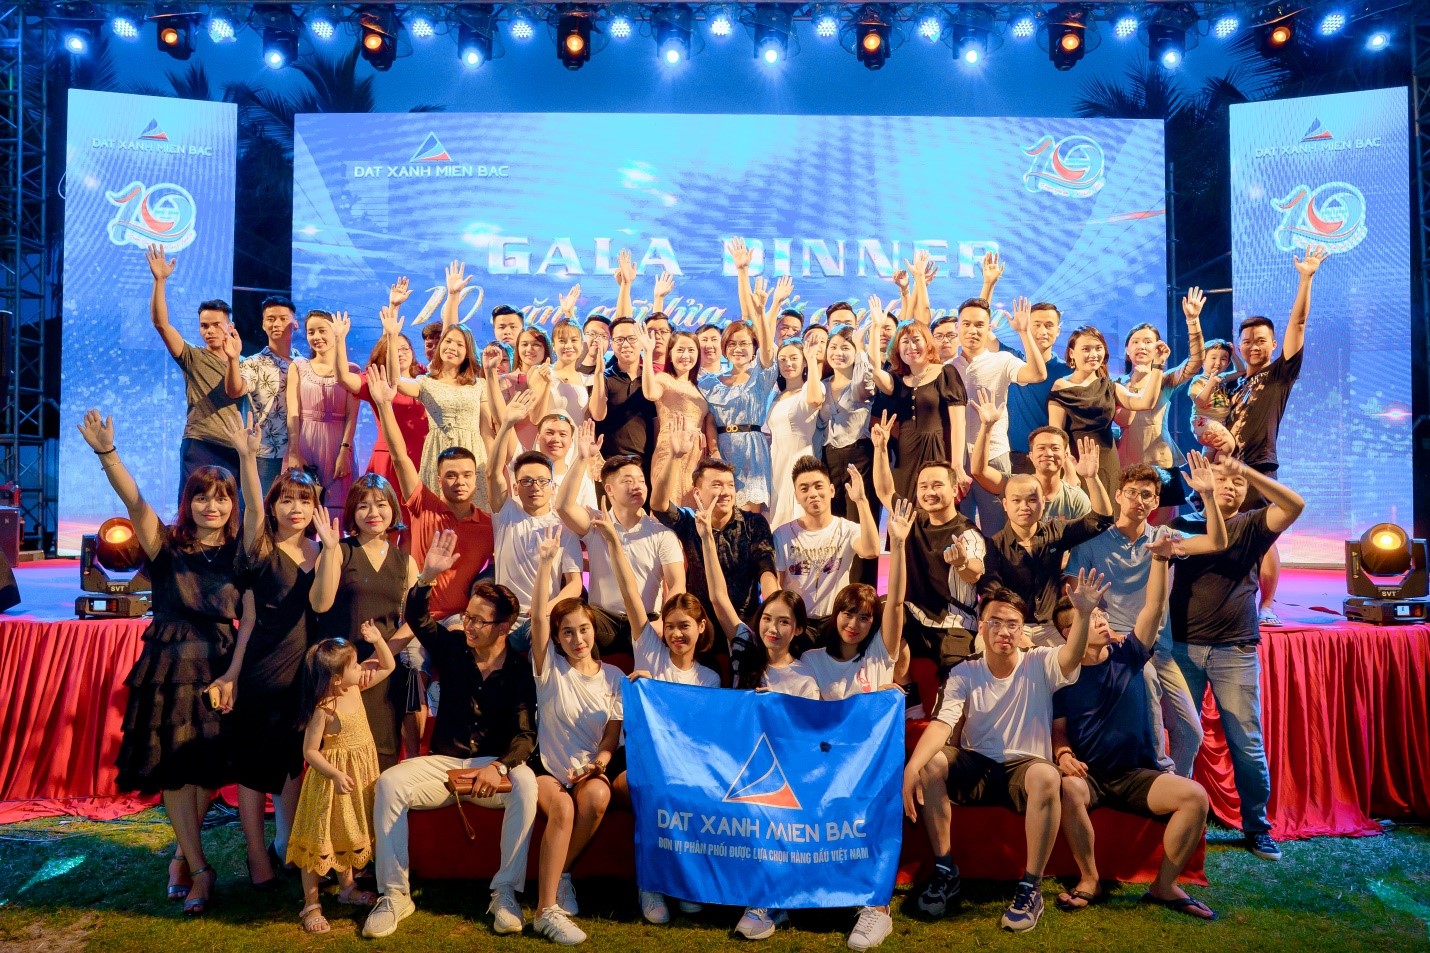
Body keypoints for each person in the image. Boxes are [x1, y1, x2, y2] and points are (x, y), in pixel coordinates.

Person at [78, 408, 241, 915]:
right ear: (188, 502)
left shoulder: (240, 552)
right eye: (201, 496)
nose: (211, 505)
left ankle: (179, 856)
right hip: (170, 666)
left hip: (220, 663)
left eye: (221, 497)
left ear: (232, 504)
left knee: (207, 769)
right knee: (173, 768)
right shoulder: (165, 542)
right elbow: (134, 500)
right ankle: (201, 870)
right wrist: (108, 453)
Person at [364, 534, 540, 940]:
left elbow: (525, 734)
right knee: (390, 783)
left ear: (504, 627)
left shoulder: (518, 671)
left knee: (527, 783)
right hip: (443, 764)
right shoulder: (453, 647)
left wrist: (501, 767)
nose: (469, 625)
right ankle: (394, 895)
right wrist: (426, 577)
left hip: (492, 766)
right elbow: (419, 618)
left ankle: (505, 893)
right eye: (468, 616)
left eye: (479, 621)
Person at [903, 577, 1098, 934]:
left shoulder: (1040, 661)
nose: (1004, 631)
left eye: (1012, 624)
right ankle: (945, 871)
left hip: (1025, 767)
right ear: (981, 626)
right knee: (931, 763)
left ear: (1022, 631)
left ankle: (1030, 886)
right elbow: (942, 724)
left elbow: (1071, 657)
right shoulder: (964, 671)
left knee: (1047, 774)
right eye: (995, 622)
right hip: (977, 762)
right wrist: (912, 767)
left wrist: (1083, 615)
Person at [1052, 518, 1216, 921]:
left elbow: (1153, 609)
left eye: (1101, 614)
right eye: (1089, 617)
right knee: (1069, 789)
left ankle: (1164, 885)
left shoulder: (1128, 654)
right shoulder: (1063, 676)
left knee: (1195, 797)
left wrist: (1159, 561)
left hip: (1136, 774)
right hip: (1091, 776)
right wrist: (1064, 756)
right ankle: (1089, 879)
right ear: (1069, 633)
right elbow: (1059, 733)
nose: (1101, 619)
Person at [215, 432, 341, 892]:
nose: (295, 508)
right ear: (274, 506)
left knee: (291, 763)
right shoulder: (259, 544)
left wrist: (331, 551)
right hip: (262, 671)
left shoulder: (322, 549)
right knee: (253, 770)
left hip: (303, 673)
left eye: (304, 501)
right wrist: (248, 457)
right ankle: (256, 857)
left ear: (316, 508)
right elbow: (247, 621)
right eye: (286, 500)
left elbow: (323, 605)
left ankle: (286, 844)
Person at [1168, 456, 1305, 861]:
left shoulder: (1254, 525)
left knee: (1246, 742)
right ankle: (1176, 820)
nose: (1230, 486)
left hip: (1235, 649)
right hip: (1182, 647)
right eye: (1222, 479)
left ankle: (1257, 826)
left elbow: (1295, 505)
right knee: (1182, 738)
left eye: (1237, 483)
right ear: (1202, 482)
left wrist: (1247, 471)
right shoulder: (1183, 524)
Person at [1065, 456, 1226, 775]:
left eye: (1147, 495)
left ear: (1155, 502)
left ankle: (1175, 790)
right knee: (1149, 701)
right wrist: (1104, 633)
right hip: (1115, 650)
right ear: (1118, 495)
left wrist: (1208, 495)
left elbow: (1217, 541)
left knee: (1190, 733)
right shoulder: (1092, 543)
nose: (1138, 499)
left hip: (1159, 651)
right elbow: (1074, 598)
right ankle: (1156, 779)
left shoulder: (1163, 537)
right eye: (1132, 492)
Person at [605, 504, 722, 924]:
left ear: (701, 628)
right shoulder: (649, 652)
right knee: (655, 791)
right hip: (637, 761)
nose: (675, 633)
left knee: (685, 791)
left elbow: (704, 737)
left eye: (684, 626)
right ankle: (650, 884)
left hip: (684, 765)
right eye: (670, 625)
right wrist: (614, 544)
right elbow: (630, 594)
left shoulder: (709, 678)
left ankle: (683, 883)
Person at [526, 525, 626, 945]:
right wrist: (546, 564)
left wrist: (597, 765)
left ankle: (561, 873)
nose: (577, 639)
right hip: (547, 768)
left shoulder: (614, 676)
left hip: (589, 770)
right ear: (557, 638)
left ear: (594, 630)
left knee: (598, 796)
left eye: (583, 629)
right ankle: (545, 906)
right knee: (563, 807)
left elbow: (611, 736)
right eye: (567, 632)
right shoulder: (549, 668)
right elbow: (537, 619)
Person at [1226, 245, 1327, 625]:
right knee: (1228, 537)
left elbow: (1298, 324)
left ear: (1272, 345)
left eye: (1261, 340)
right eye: (1247, 340)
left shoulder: (1279, 375)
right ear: (1239, 345)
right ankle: (1234, 602)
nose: (1254, 346)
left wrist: (1306, 278)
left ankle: (1266, 606)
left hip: (1259, 468)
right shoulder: (1234, 385)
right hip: (1227, 471)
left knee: (1264, 537)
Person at [367, 366, 494, 624]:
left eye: (467, 475)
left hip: (461, 623)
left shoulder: (488, 526)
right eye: (451, 475)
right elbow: (399, 457)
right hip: (416, 619)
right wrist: (384, 405)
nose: (460, 482)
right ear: (439, 480)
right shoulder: (423, 505)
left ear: (476, 478)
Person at [287, 629, 394, 933]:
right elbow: (310, 751)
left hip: (358, 777)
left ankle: (347, 888)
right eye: (355, 665)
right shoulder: (324, 708)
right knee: (320, 840)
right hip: (331, 783)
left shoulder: (356, 687)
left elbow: (388, 666)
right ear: (336, 678)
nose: (362, 668)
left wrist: (378, 641)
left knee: (347, 830)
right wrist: (334, 773)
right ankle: (311, 904)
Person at [315, 473, 420, 772]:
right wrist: (329, 550)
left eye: (381, 504)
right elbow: (320, 605)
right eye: (363, 506)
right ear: (352, 511)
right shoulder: (339, 550)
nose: (373, 513)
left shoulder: (405, 562)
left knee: (381, 756)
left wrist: (378, 658)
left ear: (393, 509)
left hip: (383, 669)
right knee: (340, 758)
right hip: (340, 672)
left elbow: (414, 621)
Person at [871, 413, 984, 670]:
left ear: (954, 490)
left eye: (937, 485)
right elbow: (885, 491)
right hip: (914, 615)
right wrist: (880, 449)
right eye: (923, 486)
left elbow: (975, 572)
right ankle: (903, 687)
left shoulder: (967, 532)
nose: (929, 492)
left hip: (953, 623)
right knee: (882, 613)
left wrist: (963, 563)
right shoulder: (911, 518)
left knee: (957, 678)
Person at [555, 442, 683, 653]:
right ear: (609, 489)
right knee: (572, 626)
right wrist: (582, 458)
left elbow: (677, 583)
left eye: (641, 480)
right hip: (602, 618)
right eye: (628, 481)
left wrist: (665, 622)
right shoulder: (596, 523)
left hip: (647, 619)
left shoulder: (662, 533)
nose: (637, 486)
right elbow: (563, 507)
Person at [145, 244, 247, 506]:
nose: (209, 331)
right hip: (199, 442)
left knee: (229, 511)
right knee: (193, 507)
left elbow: (235, 391)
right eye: (204, 326)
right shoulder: (192, 356)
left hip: (234, 447)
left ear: (230, 327)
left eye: (216, 325)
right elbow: (161, 324)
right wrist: (160, 281)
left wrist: (233, 358)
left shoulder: (246, 364)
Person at [979, 447, 1113, 646]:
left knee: (1077, 652)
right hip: (1011, 624)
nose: (1024, 507)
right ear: (1005, 505)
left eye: (1032, 500)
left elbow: (1100, 521)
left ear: (1043, 502)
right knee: (985, 646)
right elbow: (992, 596)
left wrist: (1091, 478)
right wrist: (1016, 633)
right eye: (1016, 500)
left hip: (1051, 627)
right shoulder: (994, 545)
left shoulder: (1055, 531)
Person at [388, 281, 498, 506]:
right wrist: (392, 330)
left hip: (473, 455)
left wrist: (492, 471)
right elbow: (394, 380)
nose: (452, 347)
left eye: (460, 345)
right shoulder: (426, 383)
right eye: (447, 341)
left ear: (467, 352)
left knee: (474, 515)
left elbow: (488, 429)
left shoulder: (478, 385)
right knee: (437, 514)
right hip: (438, 453)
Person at [487, 395, 584, 649]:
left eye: (542, 481)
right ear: (516, 488)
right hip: (504, 617)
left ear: (553, 487)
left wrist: (546, 609)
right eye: (527, 481)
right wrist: (507, 425)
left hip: (543, 619)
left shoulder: (564, 527)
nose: (535, 487)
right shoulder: (506, 513)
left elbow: (575, 583)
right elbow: (493, 473)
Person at [654, 437, 778, 629]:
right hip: (701, 622)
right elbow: (659, 505)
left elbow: (766, 569)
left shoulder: (753, 522)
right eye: (717, 485)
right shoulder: (690, 521)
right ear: (697, 492)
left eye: (730, 485)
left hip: (744, 620)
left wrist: (772, 612)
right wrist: (673, 457)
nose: (726, 492)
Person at [951, 295, 1048, 534]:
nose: (973, 330)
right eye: (966, 324)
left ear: (989, 328)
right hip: (957, 460)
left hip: (993, 454)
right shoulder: (948, 366)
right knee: (959, 532)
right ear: (957, 327)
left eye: (979, 325)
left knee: (998, 531)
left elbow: (1037, 374)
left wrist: (1024, 332)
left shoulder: (1002, 360)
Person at [701, 238, 780, 513]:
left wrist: (745, 275)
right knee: (721, 516)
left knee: (750, 520)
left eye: (745, 343)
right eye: (732, 344)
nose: (738, 348)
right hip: (722, 451)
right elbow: (709, 418)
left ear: (753, 348)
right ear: (724, 348)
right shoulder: (709, 383)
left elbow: (764, 343)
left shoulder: (761, 377)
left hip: (753, 451)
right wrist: (713, 450)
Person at [869, 296, 969, 506]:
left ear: (927, 343)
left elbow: (959, 423)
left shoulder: (946, 373)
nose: (911, 346)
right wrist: (876, 327)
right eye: (905, 342)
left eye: (916, 340)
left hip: (937, 450)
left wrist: (957, 464)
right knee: (905, 509)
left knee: (937, 506)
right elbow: (876, 371)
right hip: (905, 454)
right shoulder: (897, 380)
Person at [1048, 325, 1163, 508]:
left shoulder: (1110, 386)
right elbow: (1056, 434)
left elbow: (1145, 403)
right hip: (1075, 461)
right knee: (1080, 514)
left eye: (1098, 348)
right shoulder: (1061, 386)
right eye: (1086, 349)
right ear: (1071, 353)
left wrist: (1158, 366)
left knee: (1109, 512)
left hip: (1107, 459)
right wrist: (1068, 469)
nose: (1093, 354)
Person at [333, 279, 429, 496]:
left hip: (423, 456)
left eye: (405, 349)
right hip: (389, 458)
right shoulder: (378, 379)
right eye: (396, 349)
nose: (401, 353)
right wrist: (339, 340)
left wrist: (395, 308)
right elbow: (343, 378)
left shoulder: (424, 377)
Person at [772, 457, 881, 640]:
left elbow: (871, 551)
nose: (813, 493)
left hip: (835, 621)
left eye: (818, 486)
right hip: (798, 623)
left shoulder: (847, 529)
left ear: (831, 490)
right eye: (804, 489)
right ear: (796, 496)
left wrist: (861, 501)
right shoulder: (782, 534)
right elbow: (777, 583)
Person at [820, 323, 881, 586]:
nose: (838, 352)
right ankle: (834, 590)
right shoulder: (821, 385)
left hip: (859, 457)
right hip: (828, 458)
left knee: (860, 524)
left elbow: (864, 385)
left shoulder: (861, 383)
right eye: (833, 347)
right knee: (833, 526)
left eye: (846, 347)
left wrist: (862, 346)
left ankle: (862, 591)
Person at [968, 390, 1089, 521]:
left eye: (1055, 448)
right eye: (1041, 448)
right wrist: (987, 427)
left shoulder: (1075, 498)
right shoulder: (1014, 485)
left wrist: (1091, 478)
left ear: (1065, 456)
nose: (1048, 453)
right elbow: (979, 471)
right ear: (1031, 455)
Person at [285, 310, 359, 518]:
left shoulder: (352, 371)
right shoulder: (298, 366)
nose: (316, 337)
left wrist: (345, 453)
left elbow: (352, 416)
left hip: (338, 445)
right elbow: (293, 412)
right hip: (304, 443)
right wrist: (294, 452)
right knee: (300, 509)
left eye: (321, 330)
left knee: (337, 514)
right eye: (311, 332)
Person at [227, 294, 297, 495]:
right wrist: (233, 360)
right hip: (265, 455)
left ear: (295, 324)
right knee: (260, 508)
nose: (277, 324)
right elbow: (235, 390)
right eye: (270, 319)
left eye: (283, 318)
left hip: (298, 452)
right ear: (264, 324)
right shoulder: (253, 363)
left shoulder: (303, 363)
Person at [639, 322, 710, 510]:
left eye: (691, 350)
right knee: (667, 504)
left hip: (696, 454)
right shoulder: (664, 379)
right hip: (670, 448)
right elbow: (650, 393)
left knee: (692, 507)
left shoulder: (698, 387)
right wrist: (647, 353)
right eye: (680, 350)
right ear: (670, 354)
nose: (686, 355)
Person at [764, 337, 826, 528]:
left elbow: (815, 400)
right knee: (776, 520)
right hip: (775, 462)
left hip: (799, 459)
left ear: (803, 362)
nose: (787, 363)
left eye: (793, 358)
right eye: (782, 359)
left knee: (797, 516)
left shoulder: (811, 388)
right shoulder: (775, 396)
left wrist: (812, 359)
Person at [595, 317, 658, 487]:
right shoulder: (605, 377)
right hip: (611, 464)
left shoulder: (652, 379)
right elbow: (597, 415)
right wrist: (598, 375)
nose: (626, 344)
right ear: (612, 344)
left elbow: (657, 420)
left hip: (646, 464)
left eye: (631, 338)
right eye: (619, 339)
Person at [1006, 301, 1067, 475]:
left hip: (1050, 460)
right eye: (1036, 324)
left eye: (1049, 325)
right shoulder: (1012, 361)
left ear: (1058, 330)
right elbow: (984, 333)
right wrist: (988, 287)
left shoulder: (1067, 371)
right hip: (1014, 458)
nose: (1043, 331)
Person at [1187, 340, 1240, 455]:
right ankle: (1220, 465)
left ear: (1228, 363)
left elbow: (1241, 371)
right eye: (1213, 358)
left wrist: (1234, 355)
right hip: (1203, 420)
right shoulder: (1198, 380)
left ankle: (1209, 466)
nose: (1218, 362)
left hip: (1219, 422)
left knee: (1211, 454)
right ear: (1203, 360)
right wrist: (1210, 384)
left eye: (1223, 359)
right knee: (1228, 444)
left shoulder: (1223, 378)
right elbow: (1200, 402)